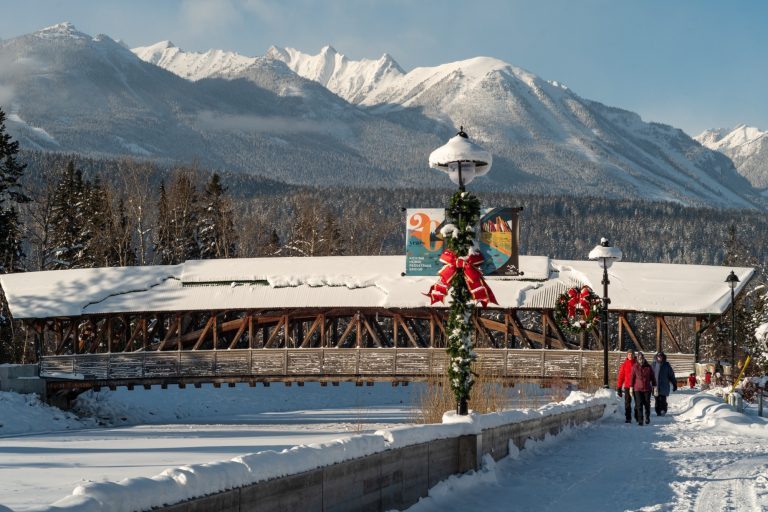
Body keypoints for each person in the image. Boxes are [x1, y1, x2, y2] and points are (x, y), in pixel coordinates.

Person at [630, 352, 657, 425]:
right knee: (639, 404)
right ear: (637, 359)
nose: (641, 360)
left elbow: (653, 377)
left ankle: (647, 417)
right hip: (637, 389)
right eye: (639, 359)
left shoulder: (648, 367)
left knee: (647, 404)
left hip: (647, 389)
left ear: (644, 358)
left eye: (642, 359)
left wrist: (655, 386)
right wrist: (631, 387)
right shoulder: (635, 367)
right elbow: (632, 378)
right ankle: (640, 420)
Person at [616, 349, 637, 423]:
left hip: (636, 386)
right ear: (627, 355)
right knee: (627, 402)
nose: (630, 356)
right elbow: (621, 376)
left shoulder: (637, 363)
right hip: (627, 386)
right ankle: (628, 417)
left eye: (631, 354)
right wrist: (619, 387)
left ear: (634, 355)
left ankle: (637, 415)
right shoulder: (624, 365)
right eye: (629, 354)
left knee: (638, 402)